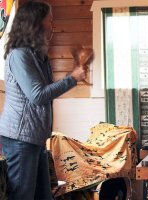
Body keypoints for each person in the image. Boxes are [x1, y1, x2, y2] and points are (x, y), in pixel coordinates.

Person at [0, 1, 87, 200]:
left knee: (43, 196)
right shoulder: (20, 55)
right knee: (23, 196)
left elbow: (43, 93)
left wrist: (71, 77)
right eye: (50, 20)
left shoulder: (38, 56)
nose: (53, 25)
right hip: (20, 138)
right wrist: (72, 78)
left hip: (34, 138)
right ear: (36, 23)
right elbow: (38, 95)